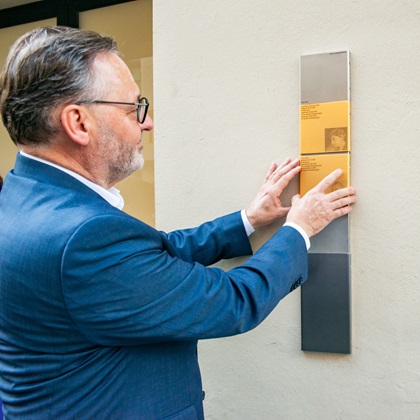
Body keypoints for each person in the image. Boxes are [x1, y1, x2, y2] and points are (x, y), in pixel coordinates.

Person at [0, 26, 356, 419]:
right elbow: (232, 301)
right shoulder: (83, 238)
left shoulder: (21, 199)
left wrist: (247, 221)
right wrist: (300, 229)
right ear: (78, 123)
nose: (147, 122)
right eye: (133, 108)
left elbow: (147, 261)